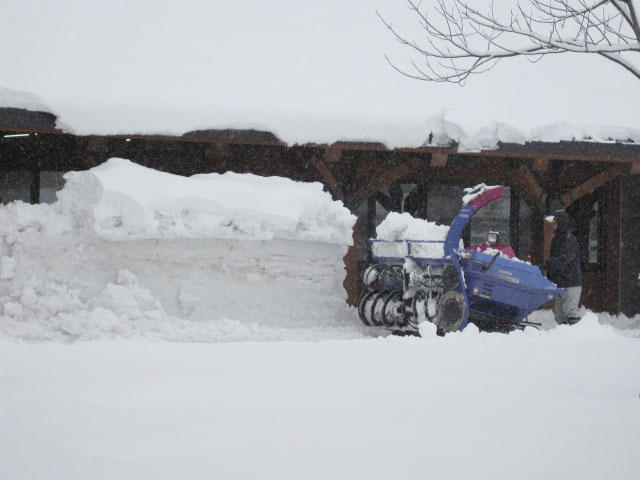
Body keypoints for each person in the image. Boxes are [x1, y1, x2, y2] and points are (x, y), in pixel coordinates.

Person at [545, 210, 582, 325]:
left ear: (560, 222)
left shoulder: (569, 240)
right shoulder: (557, 238)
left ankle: (576, 338)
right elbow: (556, 259)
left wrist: (547, 265)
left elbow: (563, 260)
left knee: (571, 313)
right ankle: (564, 340)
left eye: (554, 222)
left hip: (571, 283)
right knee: (560, 316)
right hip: (561, 283)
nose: (552, 225)